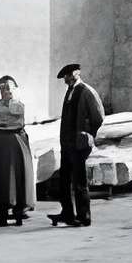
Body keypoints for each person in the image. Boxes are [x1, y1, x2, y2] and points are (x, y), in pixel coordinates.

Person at [49, 61, 105, 229]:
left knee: (79, 182)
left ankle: (84, 216)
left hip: (79, 144)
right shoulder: (70, 92)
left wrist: (86, 132)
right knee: (64, 179)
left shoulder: (87, 92)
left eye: (67, 76)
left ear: (75, 74)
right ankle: (67, 213)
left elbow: (98, 117)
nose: (65, 80)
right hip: (67, 144)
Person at [0, 75, 35, 226]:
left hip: (15, 144)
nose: (6, 90)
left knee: (17, 177)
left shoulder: (18, 105)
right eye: (3, 87)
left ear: (15, 88)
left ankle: (18, 213)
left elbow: (15, 121)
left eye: (9, 87)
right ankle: (0, 214)